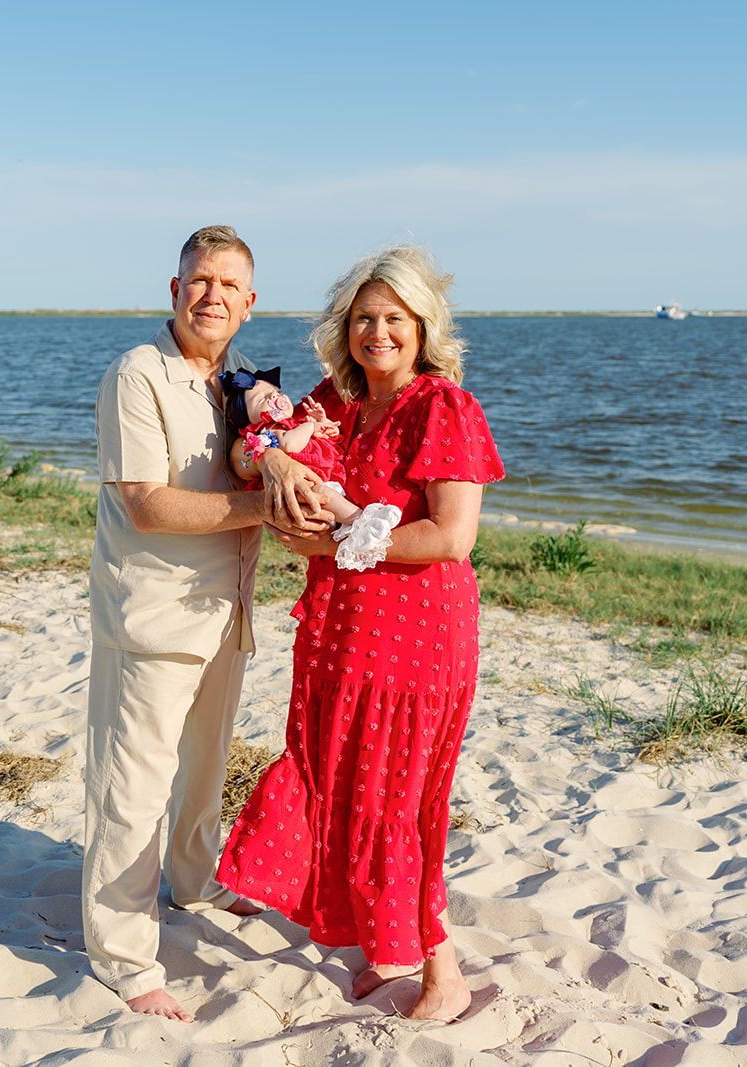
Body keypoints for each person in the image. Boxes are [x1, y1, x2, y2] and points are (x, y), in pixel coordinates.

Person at [217, 245, 505, 1022]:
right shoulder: (336, 402)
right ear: (345, 330)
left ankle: (444, 972)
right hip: (337, 628)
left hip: (417, 635)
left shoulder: (442, 406)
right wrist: (272, 459)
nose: (377, 331)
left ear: (421, 328)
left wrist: (334, 536)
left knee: (399, 800)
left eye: (394, 319)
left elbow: (450, 537)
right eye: (364, 318)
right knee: (332, 777)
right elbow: (254, 428)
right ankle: (384, 950)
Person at [84, 225, 327, 1022]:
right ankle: (123, 954)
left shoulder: (241, 383)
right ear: (175, 288)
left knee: (204, 765)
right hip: (152, 618)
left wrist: (298, 467)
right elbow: (146, 503)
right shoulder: (138, 375)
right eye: (200, 279)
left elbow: (268, 456)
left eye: (228, 285)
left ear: (249, 303)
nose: (212, 294)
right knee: (132, 788)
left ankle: (193, 880)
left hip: (228, 614)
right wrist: (269, 503)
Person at [219, 367, 401, 571]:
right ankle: (361, 521)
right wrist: (309, 427)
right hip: (305, 487)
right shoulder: (270, 431)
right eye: (263, 400)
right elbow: (290, 445)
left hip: (325, 476)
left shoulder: (293, 423)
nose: (274, 397)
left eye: (276, 393)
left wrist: (322, 424)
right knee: (322, 494)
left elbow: (329, 438)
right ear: (250, 420)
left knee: (329, 495)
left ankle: (352, 529)